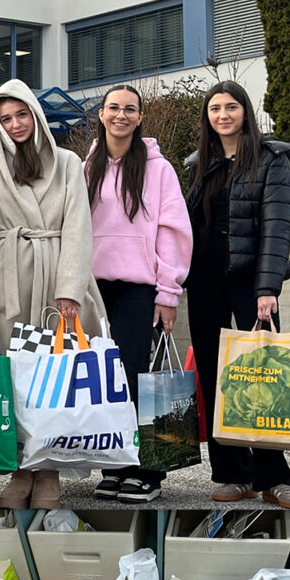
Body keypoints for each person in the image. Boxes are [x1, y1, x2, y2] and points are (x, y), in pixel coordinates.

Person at [0, 78, 106, 511]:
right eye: (5, 118)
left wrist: (70, 290)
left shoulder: (67, 163)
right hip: (11, 281)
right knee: (18, 382)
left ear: (35, 114)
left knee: (57, 381)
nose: (14, 124)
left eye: (21, 114)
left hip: (57, 280)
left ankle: (49, 472)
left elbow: (79, 227)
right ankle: (21, 468)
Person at [184, 80, 290, 509]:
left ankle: (276, 477)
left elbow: (278, 227)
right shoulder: (200, 163)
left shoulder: (273, 160)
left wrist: (267, 288)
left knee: (263, 375)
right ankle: (233, 474)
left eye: (231, 106)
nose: (223, 114)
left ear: (245, 112)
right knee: (216, 377)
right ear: (207, 116)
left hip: (250, 280)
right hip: (203, 280)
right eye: (215, 108)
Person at [84, 85, 193, 503]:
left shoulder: (158, 168)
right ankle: (115, 465)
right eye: (114, 108)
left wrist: (169, 292)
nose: (121, 115)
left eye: (130, 109)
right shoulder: (86, 165)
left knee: (136, 378)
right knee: (103, 381)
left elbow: (174, 232)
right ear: (102, 113)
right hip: (94, 289)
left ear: (140, 116)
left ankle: (147, 470)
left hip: (138, 289)